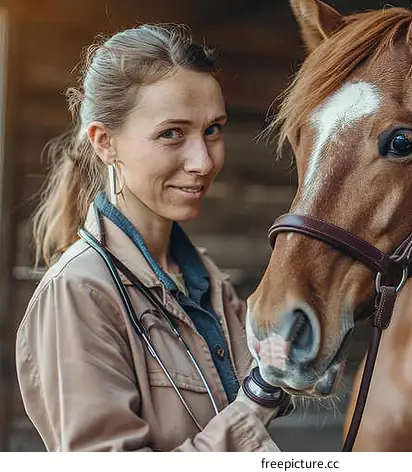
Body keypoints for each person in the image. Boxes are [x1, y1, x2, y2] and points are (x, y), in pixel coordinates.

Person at [14, 23, 290, 452]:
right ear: (105, 143)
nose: (203, 161)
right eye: (171, 133)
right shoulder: (78, 293)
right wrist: (254, 405)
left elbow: (267, 375)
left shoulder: (204, 279)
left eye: (213, 129)